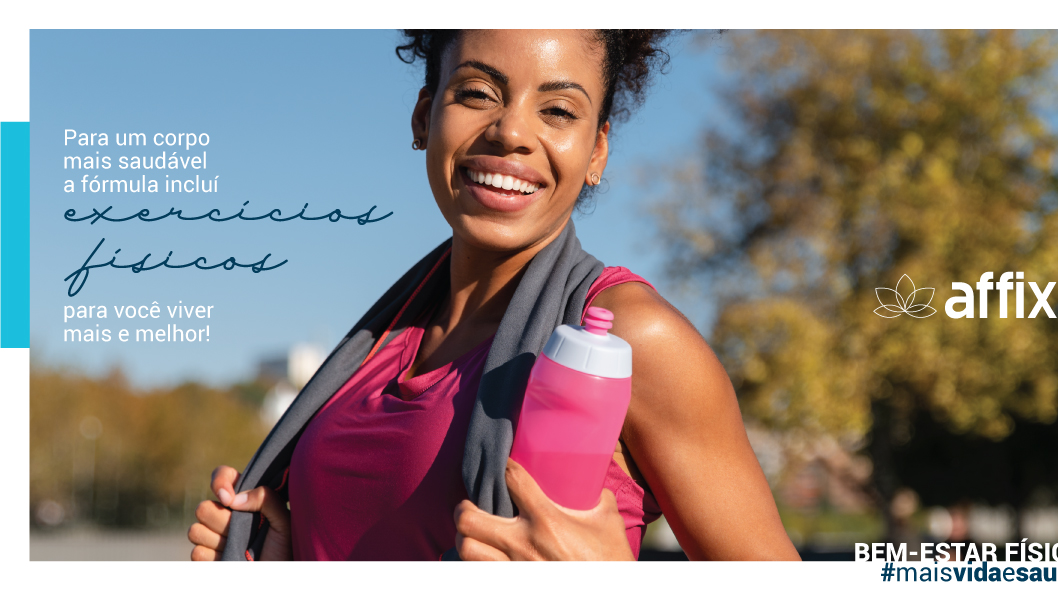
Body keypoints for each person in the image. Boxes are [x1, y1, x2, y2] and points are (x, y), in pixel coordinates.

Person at [188, 29, 800, 561]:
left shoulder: (633, 341)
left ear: (597, 151)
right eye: (478, 93)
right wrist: (283, 550)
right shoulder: (380, 338)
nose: (511, 131)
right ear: (424, 116)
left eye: (558, 110)